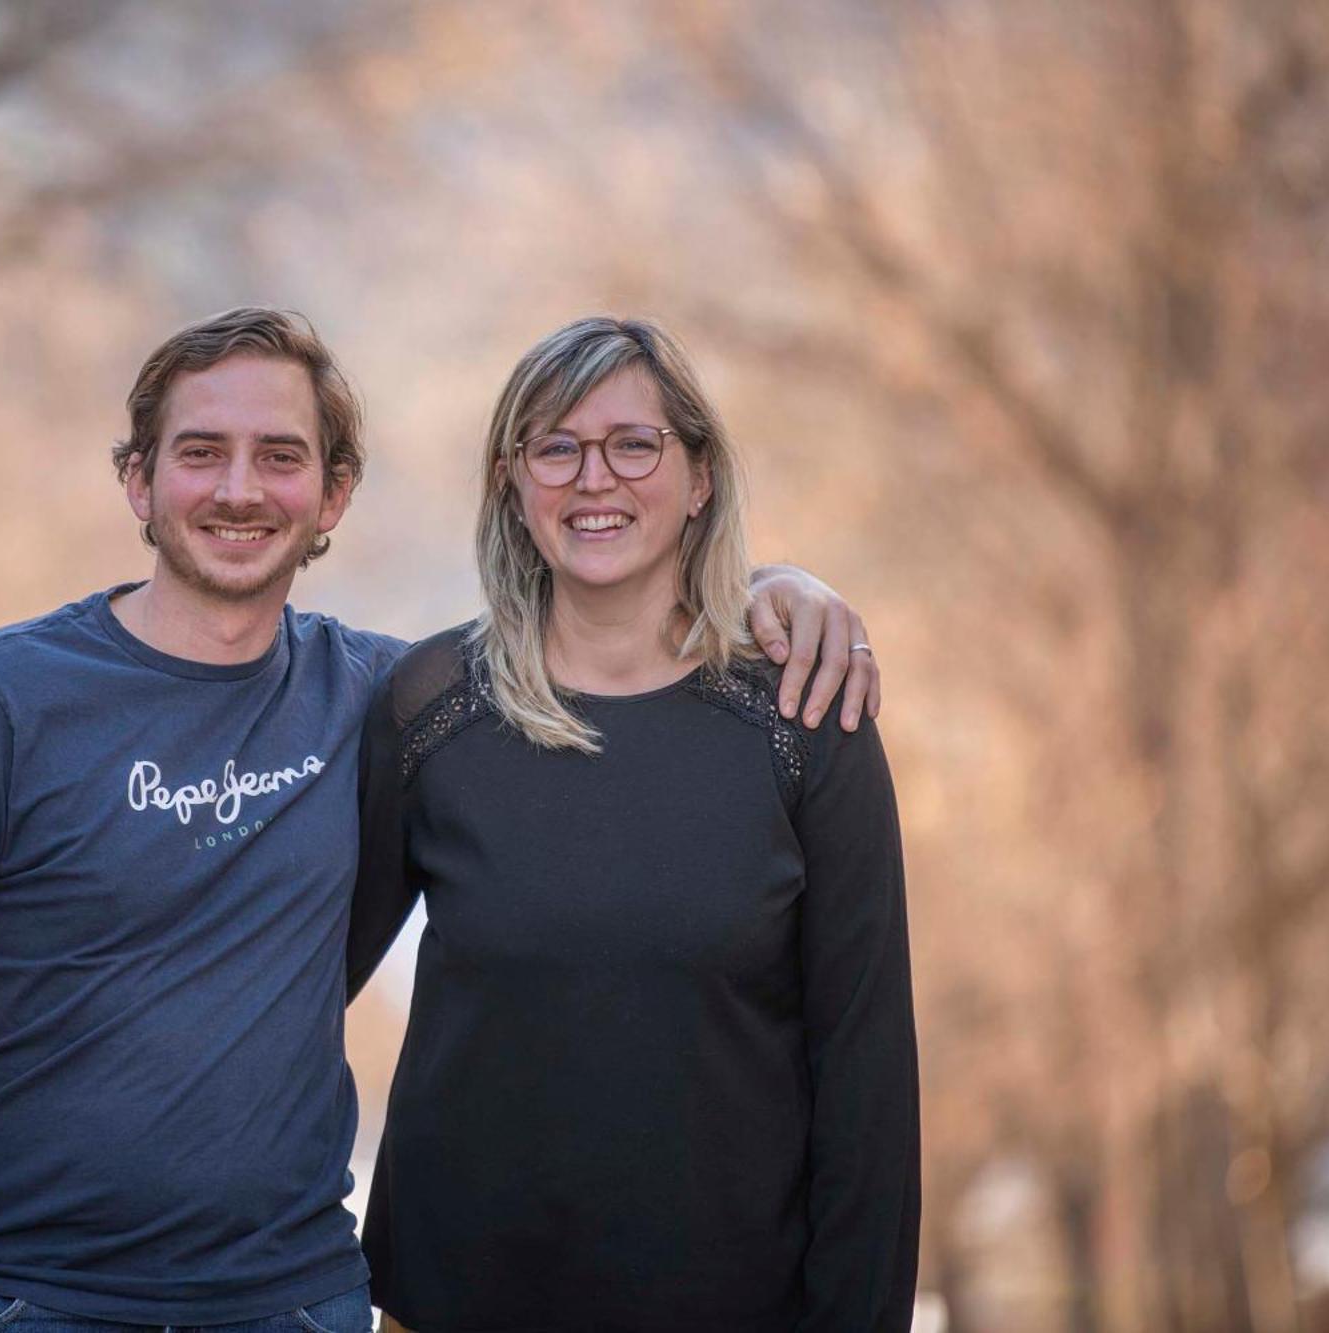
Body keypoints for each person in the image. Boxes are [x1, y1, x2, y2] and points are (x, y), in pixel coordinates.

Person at [0, 307, 879, 1333]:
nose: (239, 489)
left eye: (280, 457)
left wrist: (776, 590)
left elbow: (603, 650)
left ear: (332, 495)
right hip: (24, 1294)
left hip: (293, 1298)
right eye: (200, 452)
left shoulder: (393, 702)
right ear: (137, 480)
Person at [345, 316, 919, 1332]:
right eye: (555, 447)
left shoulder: (804, 720)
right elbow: (288, 978)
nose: (592, 477)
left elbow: (865, 1080)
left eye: (633, 444)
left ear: (698, 477)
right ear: (512, 485)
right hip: (453, 1306)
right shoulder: (427, 708)